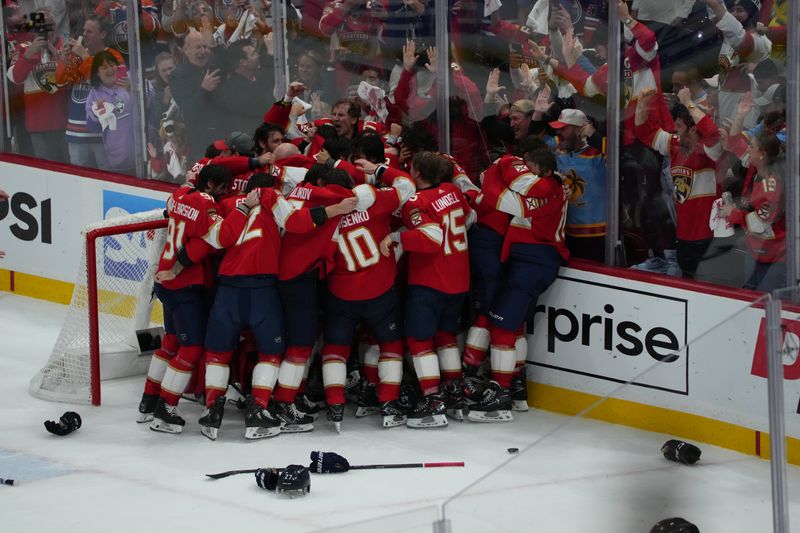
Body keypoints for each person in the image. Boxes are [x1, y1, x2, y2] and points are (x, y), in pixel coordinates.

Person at [162, 172, 358, 440]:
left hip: (227, 289)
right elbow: (296, 222)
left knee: (218, 353)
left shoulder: (229, 204)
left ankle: (212, 411)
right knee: (271, 353)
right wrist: (336, 208)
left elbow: (209, 241)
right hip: (262, 290)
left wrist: (176, 266)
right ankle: (258, 411)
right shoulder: (271, 197)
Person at [141, 164, 251, 432]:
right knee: (192, 348)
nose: (224, 193)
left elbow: (174, 208)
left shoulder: (180, 193)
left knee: (171, 341)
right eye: (222, 188)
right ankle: (166, 409)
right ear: (211, 185)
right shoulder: (205, 204)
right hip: (185, 285)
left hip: (166, 278)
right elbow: (222, 237)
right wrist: (243, 210)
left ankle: (149, 400)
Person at [319, 159, 415, 430]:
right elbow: (407, 185)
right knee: (390, 344)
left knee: (335, 349)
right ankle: (388, 402)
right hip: (380, 289)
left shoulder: (324, 213)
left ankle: (336, 404)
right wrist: (381, 170)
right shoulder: (374, 201)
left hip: (341, 294)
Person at [380, 152, 472, 429]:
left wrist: (397, 237)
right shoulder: (454, 191)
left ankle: (432, 400)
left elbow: (431, 239)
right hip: (459, 278)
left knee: (420, 341)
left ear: (417, 172)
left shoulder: (416, 203)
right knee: (445, 337)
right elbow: (470, 218)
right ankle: (454, 394)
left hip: (431, 280)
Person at [635, 88, 724, 279]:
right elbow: (644, 132)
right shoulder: (675, 145)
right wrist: (641, 105)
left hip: (707, 238)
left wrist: (688, 102)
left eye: (679, 126)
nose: (675, 129)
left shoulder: (710, 153)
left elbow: (713, 133)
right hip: (683, 235)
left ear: (693, 129)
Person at [55, 13, 122, 170]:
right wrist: (64, 59)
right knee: (78, 179)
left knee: (108, 176)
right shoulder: (78, 55)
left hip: (104, 131)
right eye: (84, 30)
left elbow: (105, 81)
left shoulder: (113, 55)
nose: (84, 34)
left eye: (89, 31)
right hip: (76, 131)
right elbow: (60, 83)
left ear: (103, 34)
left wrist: (85, 56)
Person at [722, 131, 785, 292]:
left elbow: (760, 223)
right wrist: (738, 117)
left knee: (766, 302)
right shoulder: (756, 170)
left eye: (752, 146)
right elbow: (737, 145)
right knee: (749, 296)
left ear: (762, 154)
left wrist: (734, 213)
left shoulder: (772, 183)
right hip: (755, 251)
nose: (748, 149)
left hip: (775, 257)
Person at [549, 108, 607, 262]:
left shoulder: (598, 154)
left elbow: (616, 151)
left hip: (596, 235)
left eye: (563, 128)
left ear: (578, 130)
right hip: (565, 233)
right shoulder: (557, 150)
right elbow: (532, 140)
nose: (558, 133)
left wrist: (593, 135)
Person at [169, 30, 225, 162]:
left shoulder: (214, 66)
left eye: (205, 47)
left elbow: (230, 61)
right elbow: (188, 108)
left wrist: (215, 46)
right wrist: (203, 89)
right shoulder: (177, 76)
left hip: (224, 133)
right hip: (201, 141)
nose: (203, 51)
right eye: (198, 47)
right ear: (186, 50)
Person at [84, 50, 135, 174]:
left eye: (112, 65)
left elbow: (150, 102)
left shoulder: (131, 78)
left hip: (144, 151)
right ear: (97, 73)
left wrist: (132, 88)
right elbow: (92, 127)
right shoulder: (94, 93)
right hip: (118, 156)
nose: (110, 70)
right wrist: (97, 114)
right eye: (104, 67)